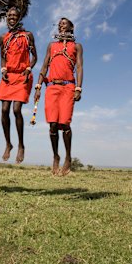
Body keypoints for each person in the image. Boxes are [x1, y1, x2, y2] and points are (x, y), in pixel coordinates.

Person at [0, 0, 37, 164]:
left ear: (19, 17)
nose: (12, 18)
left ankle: (21, 144)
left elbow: (34, 57)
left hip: (22, 76)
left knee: (16, 109)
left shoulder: (27, 35)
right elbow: (2, 58)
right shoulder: (2, 38)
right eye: (9, 16)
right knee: (4, 109)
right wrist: (3, 70)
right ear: (6, 18)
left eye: (15, 16)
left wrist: (29, 68)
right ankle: (8, 143)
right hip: (8, 77)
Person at [34, 17, 83, 176]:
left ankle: (68, 157)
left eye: (64, 24)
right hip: (52, 86)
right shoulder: (52, 45)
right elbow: (44, 65)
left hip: (68, 86)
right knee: (53, 125)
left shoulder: (76, 46)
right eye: (60, 24)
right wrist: (39, 86)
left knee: (65, 124)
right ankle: (56, 156)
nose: (61, 26)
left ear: (71, 27)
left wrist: (78, 88)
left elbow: (80, 67)